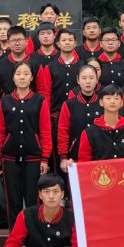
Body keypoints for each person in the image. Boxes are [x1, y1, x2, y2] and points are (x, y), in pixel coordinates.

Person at [0, 62, 52, 227]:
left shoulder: (40, 101)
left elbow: (45, 130)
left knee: (33, 199)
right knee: (13, 200)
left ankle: (33, 235)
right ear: (13, 77)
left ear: (32, 77)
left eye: (26, 74)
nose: (22, 77)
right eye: (18, 73)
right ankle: (14, 235)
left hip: (33, 157)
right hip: (9, 157)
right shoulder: (5, 101)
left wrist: (45, 158)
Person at [36, 29, 80, 169]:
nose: (67, 43)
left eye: (70, 40)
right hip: (56, 115)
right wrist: (47, 114)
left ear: (75, 43)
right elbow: (46, 93)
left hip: (77, 114)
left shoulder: (82, 66)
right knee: (57, 153)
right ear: (58, 43)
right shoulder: (51, 67)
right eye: (64, 40)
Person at [77, 84, 124, 161]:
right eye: (108, 98)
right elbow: (83, 162)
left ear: (122, 102)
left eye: (116, 98)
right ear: (101, 102)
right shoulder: (89, 133)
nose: (112, 101)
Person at [57, 64, 103, 170]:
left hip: (100, 155)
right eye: (84, 78)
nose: (88, 81)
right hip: (75, 156)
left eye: (91, 78)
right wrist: (63, 157)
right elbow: (63, 131)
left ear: (97, 80)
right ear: (78, 80)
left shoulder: (102, 102)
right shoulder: (69, 104)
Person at [0, 25, 47, 97]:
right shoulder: (0, 65)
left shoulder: (36, 64)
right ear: (8, 43)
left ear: (26, 41)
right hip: (7, 103)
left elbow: (42, 90)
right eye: (13, 40)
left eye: (20, 40)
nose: (17, 43)